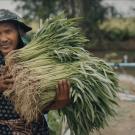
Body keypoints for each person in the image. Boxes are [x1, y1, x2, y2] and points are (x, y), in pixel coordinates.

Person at [0, 9, 70, 135]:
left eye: (8, 31)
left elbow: (40, 107)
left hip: (36, 130)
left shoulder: (37, 61)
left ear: (19, 32)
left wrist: (58, 102)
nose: (3, 38)